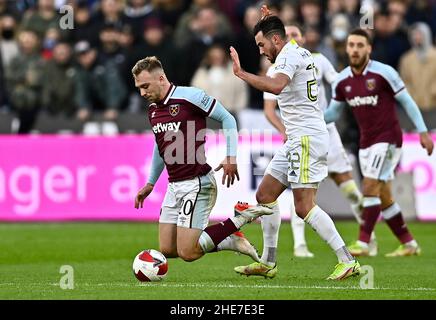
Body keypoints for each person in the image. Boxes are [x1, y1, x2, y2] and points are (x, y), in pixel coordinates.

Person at [229, 15, 360, 280]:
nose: (261, 51)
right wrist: (268, 18)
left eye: (262, 44)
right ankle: (268, 262)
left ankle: (347, 259)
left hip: (306, 138)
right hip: (297, 139)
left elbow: (277, 86)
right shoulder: (297, 52)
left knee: (304, 206)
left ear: (276, 39)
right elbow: (278, 62)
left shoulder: (287, 58)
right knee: (265, 195)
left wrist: (241, 73)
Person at [132, 56, 273, 264]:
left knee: (188, 253)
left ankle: (241, 217)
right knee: (167, 249)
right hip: (174, 185)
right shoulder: (153, 110)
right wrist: (151, 182)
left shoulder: (191, 96)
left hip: (197, 182)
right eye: (138, 88)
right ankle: (229, 239)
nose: (142, 93)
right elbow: (160, 144)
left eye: (145, 86)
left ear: (161, 78)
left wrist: (230, 156)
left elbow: (228, 118)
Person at [325, 28, 434, 257]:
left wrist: (423, 131)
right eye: (351, 45)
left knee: (370, 187)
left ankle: (363, 243)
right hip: (366, 142)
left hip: (389, 139)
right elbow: (333, 113)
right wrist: (310, 120)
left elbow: (408, 102)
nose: (354, 50)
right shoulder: (342, 79)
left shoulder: (385, 73)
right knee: (383, 196)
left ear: (369, 49)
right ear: (347, 49)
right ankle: (409, 243)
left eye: (359, 45)